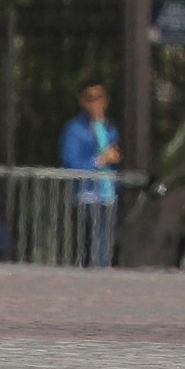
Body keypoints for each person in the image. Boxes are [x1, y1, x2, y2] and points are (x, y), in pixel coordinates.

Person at [59, 78, 121, 267]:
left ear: (106, 100)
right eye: (90, 98)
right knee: (95, 243)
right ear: (82, 101)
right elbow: (71, 163)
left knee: (107, 244)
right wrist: (99, 160)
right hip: (88, 195)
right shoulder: (75, 129)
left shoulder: (109, 127)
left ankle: (103, 275)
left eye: (99, 97)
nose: (95, 103)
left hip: (109, 195)